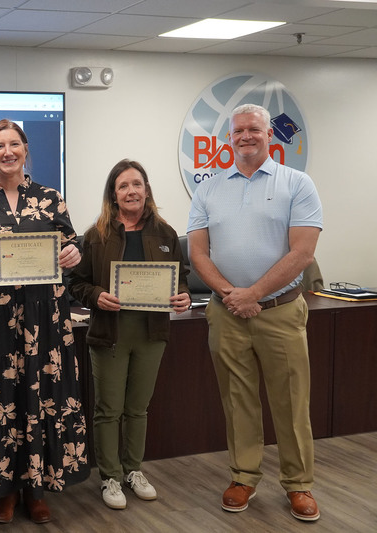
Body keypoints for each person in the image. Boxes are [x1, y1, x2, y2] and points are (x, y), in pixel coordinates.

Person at [187, 104, 323, 522]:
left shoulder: (296, 183)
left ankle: (299, 485)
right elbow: (198, 252)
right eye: (238, 131)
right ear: (229, 138)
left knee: (291, 402)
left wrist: (255, 294)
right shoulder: (208, 188)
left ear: (269, 135)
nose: (246, 136)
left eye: (254, 129)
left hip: (279, 312)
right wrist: (233, 295)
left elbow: (302, 252)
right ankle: (244, 476)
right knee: (237, 400)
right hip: (227, 313)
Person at [0, 119, 90, 525]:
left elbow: (70, 248)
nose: (7, 151)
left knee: (40, 399)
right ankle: (3, 491)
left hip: (43, 322)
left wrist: (73, 256)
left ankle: (36, 489)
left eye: (14, 144)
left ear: (26, 149)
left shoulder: (51, 199)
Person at [67, 159, 191, 510]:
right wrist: (96, 296)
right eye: (123, 186)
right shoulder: (96, 235)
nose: (131, 191)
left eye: (137, 184)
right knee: (109, 409)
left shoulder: (165, 233)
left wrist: (181, 293)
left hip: (151, 332)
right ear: (113, 194)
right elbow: (75, 282)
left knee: (137, 408)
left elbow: (181, 276)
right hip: (110, 332)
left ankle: (133, 470)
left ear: (146, 190)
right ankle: (109, 476)